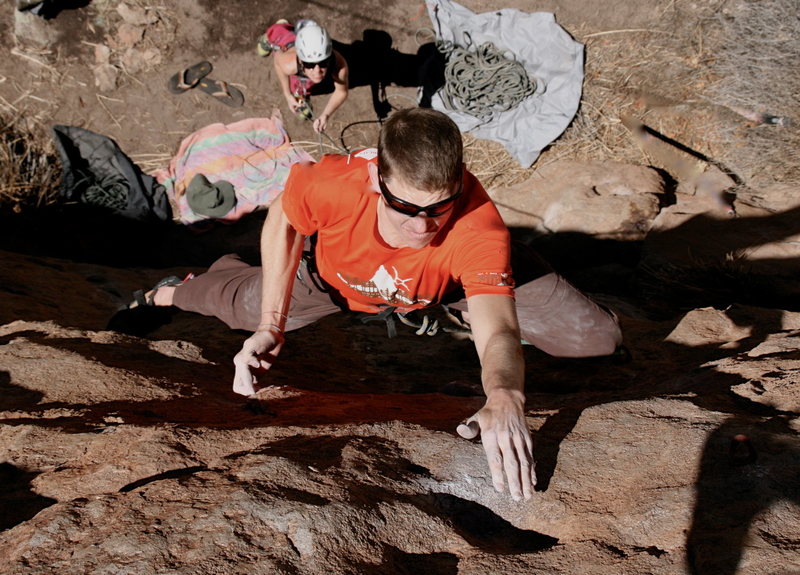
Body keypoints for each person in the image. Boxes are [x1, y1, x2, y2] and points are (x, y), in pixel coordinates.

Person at [135, 109, 622, 502]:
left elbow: (498, 332)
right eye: (405, 207)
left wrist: (503, 395)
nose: (421, 226)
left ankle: (460, 293)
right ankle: (172, 289)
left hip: (448, 280)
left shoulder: (477, 226)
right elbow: (283, 217)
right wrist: (270, 322)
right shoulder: (333, 184)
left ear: (459, 185)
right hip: (333, 277)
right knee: (241, 306)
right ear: (376, 180)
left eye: (438, 208)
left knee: (598, 339)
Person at [257, 19, 349, 133]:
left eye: (323, 63)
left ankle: (301, 95)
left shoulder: (339, 64)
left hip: (300, 66)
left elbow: (342, 91)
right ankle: (270, 36)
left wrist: (325, 115)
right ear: (300, 61)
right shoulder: (288, 64)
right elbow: (278, 63)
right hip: (286, 43)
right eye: (309, 64)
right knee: (277, 34)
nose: (317, 71)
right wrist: (287, 94)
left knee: (303, 83)